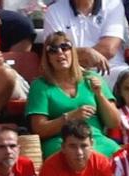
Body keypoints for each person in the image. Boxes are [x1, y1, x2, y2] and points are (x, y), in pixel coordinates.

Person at [27, 30, 122, 162]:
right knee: (81, 156)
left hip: (95, 139)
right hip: (60, 141)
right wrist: (69, 117)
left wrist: (99, 94)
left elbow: (113, 122)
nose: (60, 52)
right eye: (53, 50)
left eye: (65, 47)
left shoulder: (92, 78)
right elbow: (39, 129)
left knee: (120, 157)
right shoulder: (40, 85)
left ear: (73, 52)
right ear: (47, 57)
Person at [43, 0, 129, 73]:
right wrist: (85, 53)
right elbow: (54, 52)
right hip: (70, 72)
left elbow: (109, 49)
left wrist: (77, 55)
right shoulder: (54, 10)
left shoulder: (114, 4)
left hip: (112, 69)